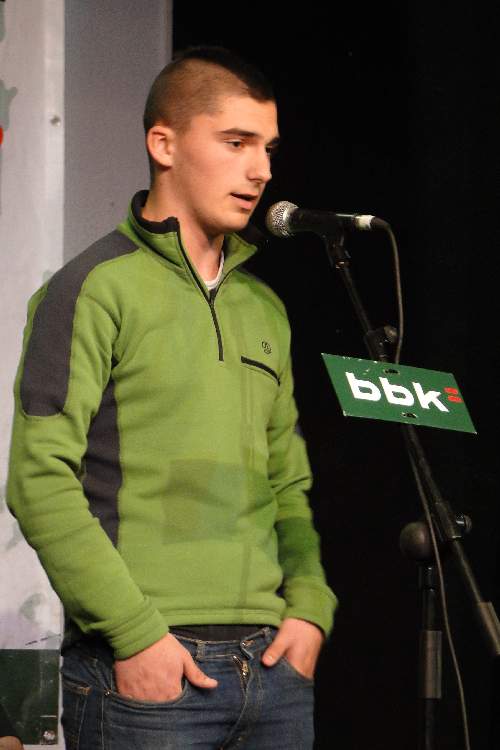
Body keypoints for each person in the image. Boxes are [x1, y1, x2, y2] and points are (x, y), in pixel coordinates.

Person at [7, 46, 336, 748]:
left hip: (273, 672)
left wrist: (310, 606)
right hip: (148, 673)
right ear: (164, 144)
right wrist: (135, 636)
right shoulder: (93, 288)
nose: (261, 170)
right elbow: (38, 480)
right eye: (236, 142)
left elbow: (289, 482)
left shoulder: (263, 307)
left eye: (268, 148)